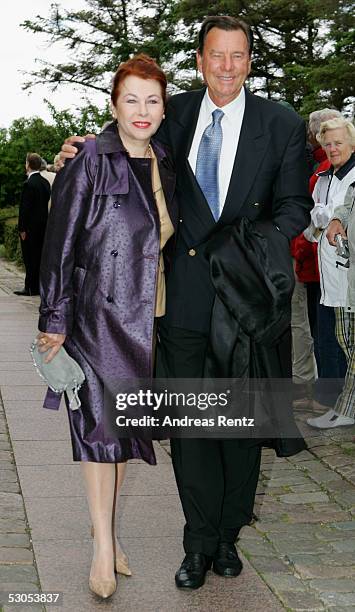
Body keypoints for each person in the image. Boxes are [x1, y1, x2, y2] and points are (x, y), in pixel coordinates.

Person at [59, 16, 312, 590]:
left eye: (238, 56)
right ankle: (197, 543)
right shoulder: (175, 116)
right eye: (216, 56)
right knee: (194, 429)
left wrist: (249, 249)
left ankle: (228, 536)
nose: (226, 67)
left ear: (250, 62)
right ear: (200, 61)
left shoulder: (282, 124)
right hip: (184, 301)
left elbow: (294, 207)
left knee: (242, 426)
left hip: (248, 298)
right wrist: (84, 148)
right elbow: (128, 129)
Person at [37, 54, 178, 599]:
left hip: (148, 317)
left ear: (164, 108)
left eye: (152, 100)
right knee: (98, 431)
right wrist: (54, 317)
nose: (142, 111)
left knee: (123, 435)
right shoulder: (91, 158)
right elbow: (60, 239)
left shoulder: (165, 160)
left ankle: (109, 535)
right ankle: (101, 548)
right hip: (96, 316)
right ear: (114, 105)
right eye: (131, 100)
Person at [306, 118, 355, 428]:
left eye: (338, 142)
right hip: (326, 274)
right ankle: (343, 406)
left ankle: (345, 408)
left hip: (347, 275)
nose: (333, 148)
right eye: (328, 143)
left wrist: (325, 218)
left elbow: (334, 214)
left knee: (347, 343)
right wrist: (322, 220)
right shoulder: (324, 175)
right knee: (337, 341)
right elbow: (314, 221)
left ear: (351, 144)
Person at [14, 153, 51, 296]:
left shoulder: (29, 184)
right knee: (40, 257)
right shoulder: (45, 182)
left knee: (29, 258)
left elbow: (25, 208)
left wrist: (22, 228)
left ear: (28, 165)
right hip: (43, 226)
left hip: (30, 228)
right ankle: (39, 286)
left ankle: (29, 287)